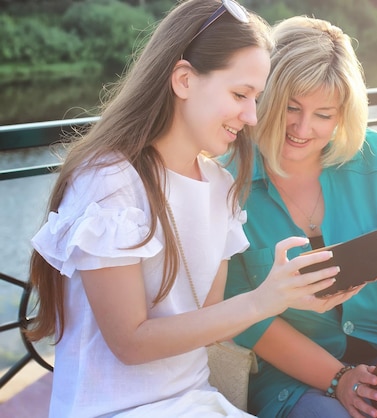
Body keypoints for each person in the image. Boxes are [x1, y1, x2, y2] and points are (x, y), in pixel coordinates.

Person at [25, 2, 344, 417]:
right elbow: (130, 343)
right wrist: (262, 301)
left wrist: (287, 296)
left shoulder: (220, 185)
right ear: (184, 79)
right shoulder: (109, 182)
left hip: (194, 401)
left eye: (257, 98)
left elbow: (208, 323)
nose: (251, 116)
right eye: (239, 94)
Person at [224, 15, 377, 418]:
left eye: (324, 114)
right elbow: (242, 314)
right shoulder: (227, 184)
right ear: (263, 94)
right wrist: (338, 379)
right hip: (296, 374)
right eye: (290, 107)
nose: (303, 129)